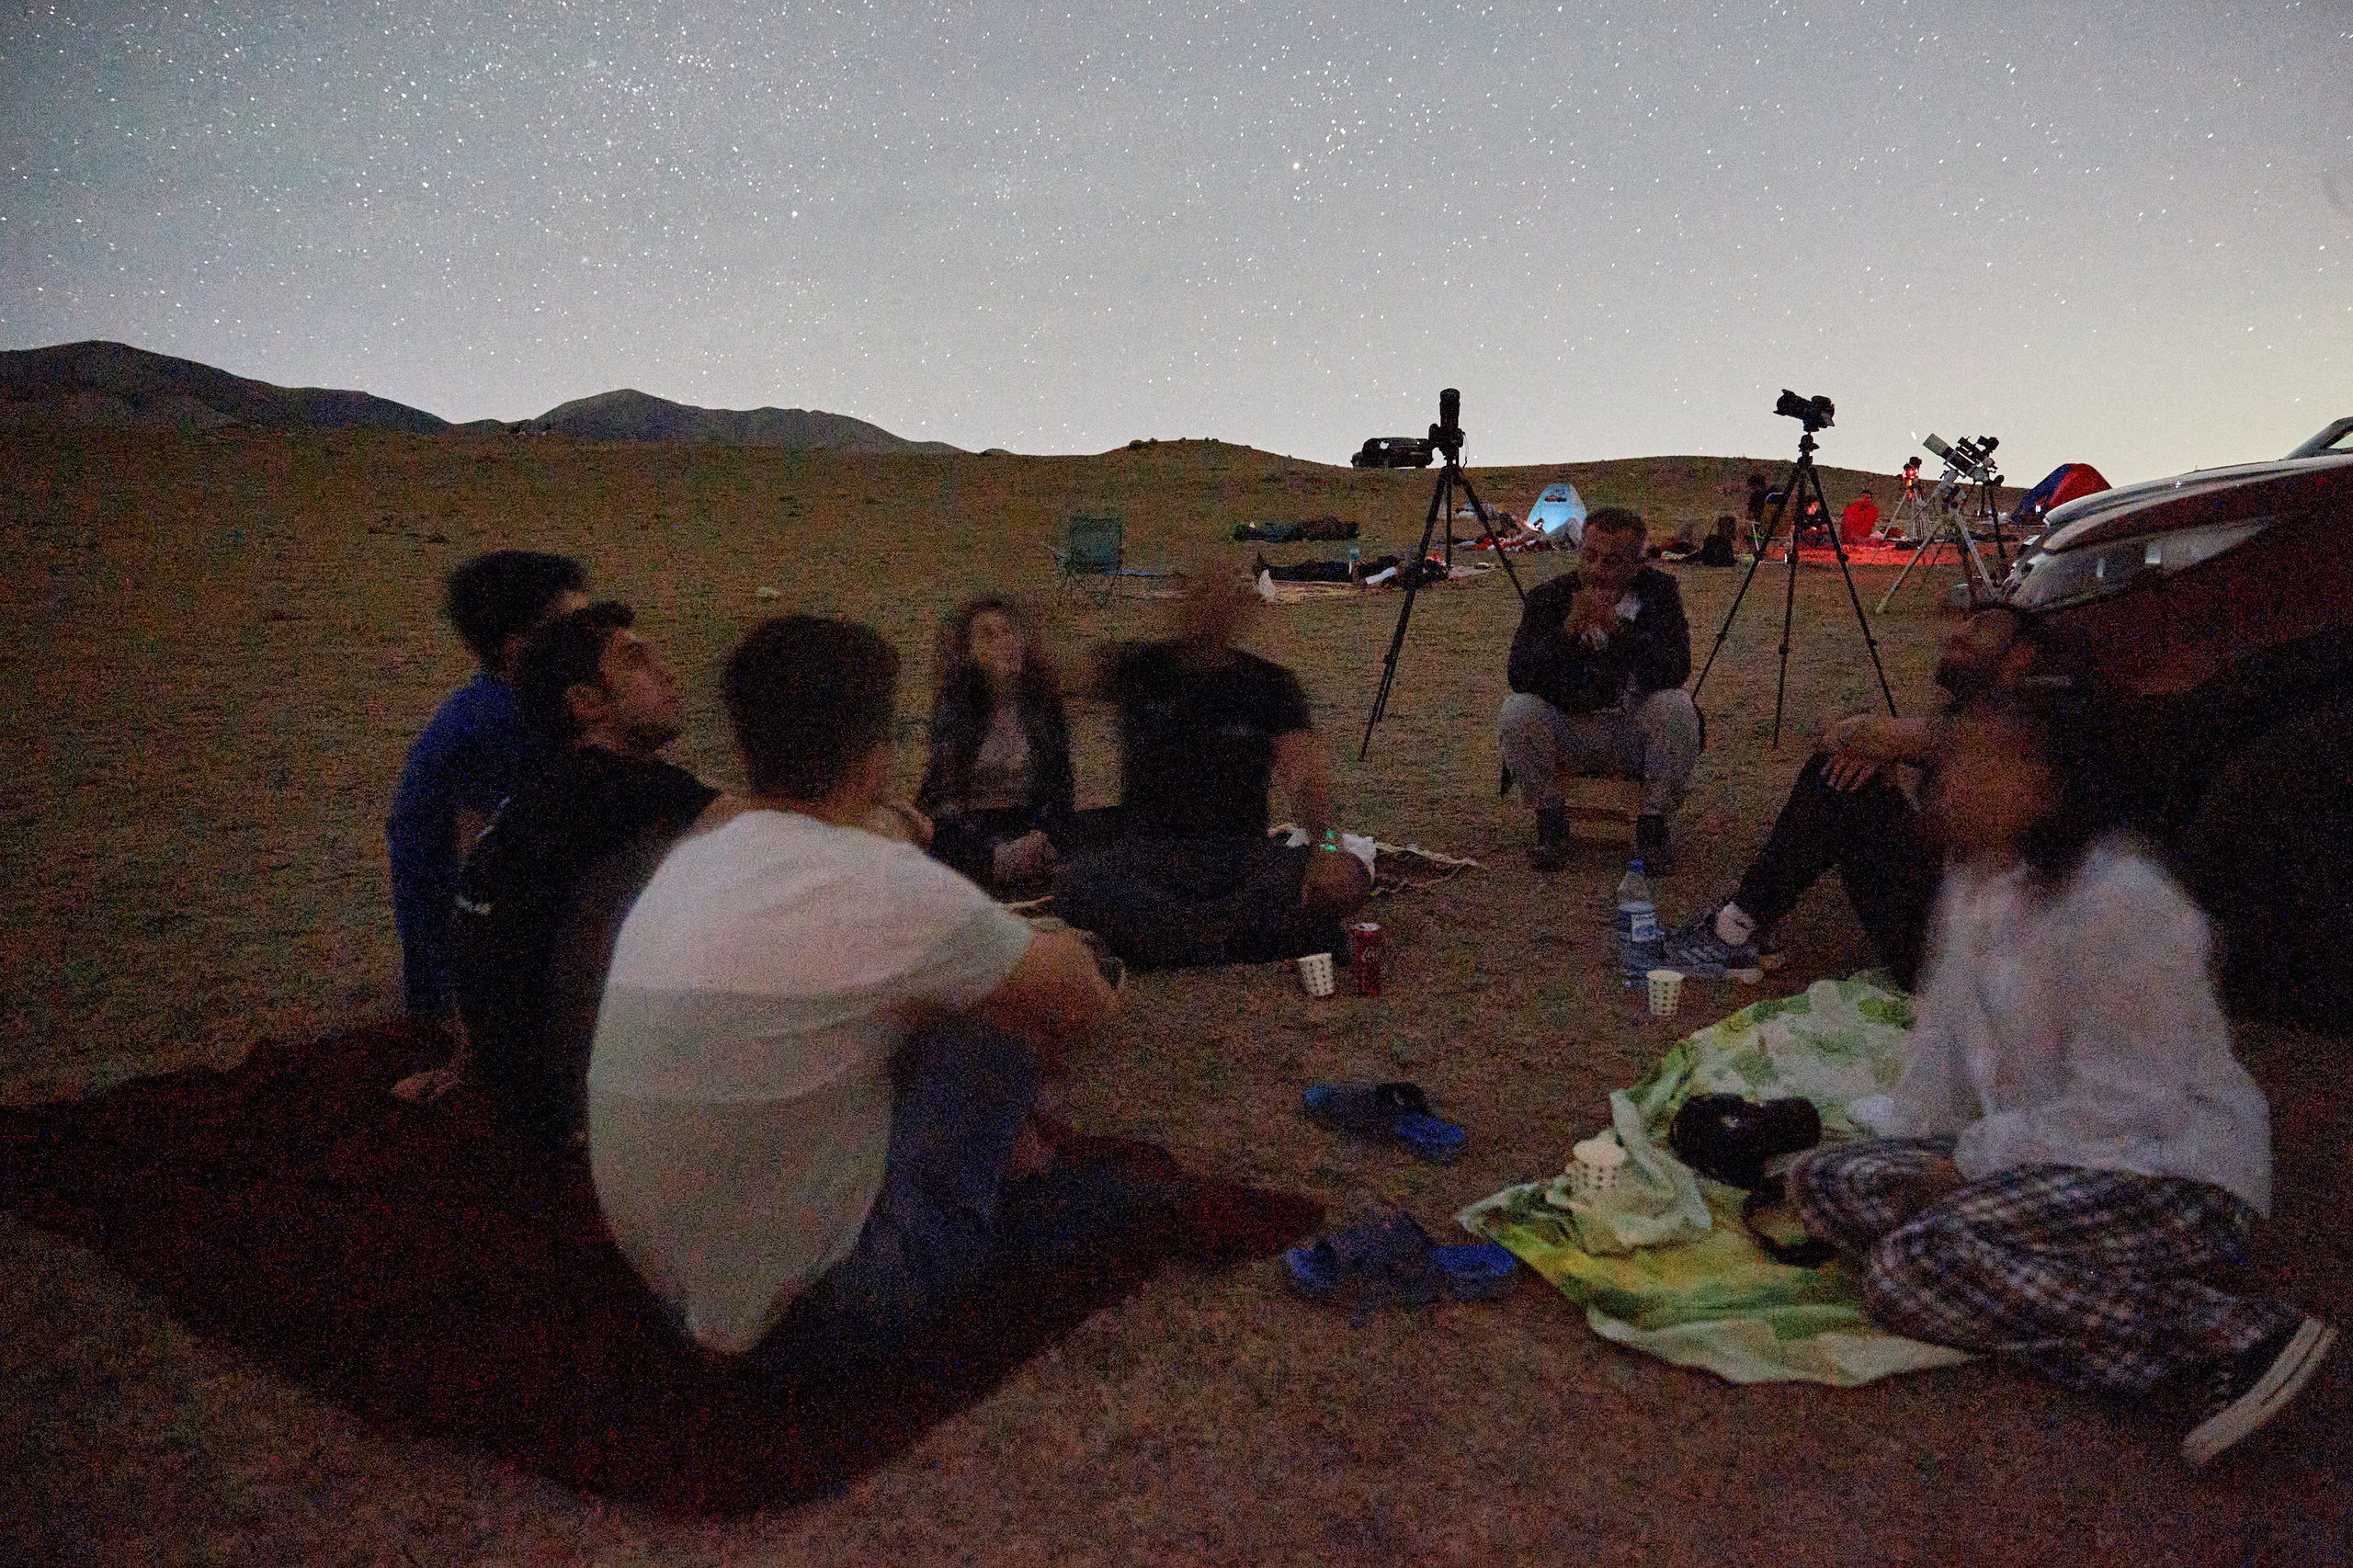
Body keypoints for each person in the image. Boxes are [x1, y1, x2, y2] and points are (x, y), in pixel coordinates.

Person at [1783, 676, 2336, 1469]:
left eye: (1977, 761)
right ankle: (2032, 1272)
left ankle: (2234, 1333)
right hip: (2041, 1156)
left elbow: (2132, 1106)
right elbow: (1938, 1061)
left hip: (2165, 1172)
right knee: (1822, 1182)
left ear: (2045, 787)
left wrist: (1966, 1165)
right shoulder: (1979, 881)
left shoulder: (2122, 901)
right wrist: (1896, 1152)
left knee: (1909, 1269)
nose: (1949, 779)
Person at [585, 615, 1128, 1371]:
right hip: (819, 1314)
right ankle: (1002, 1189)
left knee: (897, 999)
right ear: (878, 760)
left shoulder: (689, 864)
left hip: (662, 1284)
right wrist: (1066, 955)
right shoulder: (886, 886)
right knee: (1001, 1012)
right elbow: (1082, 1004)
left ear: (744, 753)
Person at [396, 603, 731, 1142]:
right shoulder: (627, 788)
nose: (668, 674)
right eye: (636, 663)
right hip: (569, 1109)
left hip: (510, 1081)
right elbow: (790, 826)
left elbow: (483, 939)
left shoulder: (548, 783)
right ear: (587, 703)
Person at [1659, 605, 2041, 987]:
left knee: (1842, 783)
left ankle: (1734, 929)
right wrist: (1882, 758)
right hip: (1961, 926)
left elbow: (1853, 733)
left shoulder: (2008, 732)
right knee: (1849, 776)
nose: (1958, 633)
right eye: (1967, 619)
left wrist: (1881, 747)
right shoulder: (1985, 725)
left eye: (1983, 628)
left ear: (2019, 659)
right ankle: (1740, 924)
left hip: (1971, 958)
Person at [1051, 574, 1371, 968]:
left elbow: (1307, 781)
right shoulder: (1141, 667)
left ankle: (1172, 942)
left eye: (1222, 601)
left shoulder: (1268, 685)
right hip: (1151, 854)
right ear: (1183, 606)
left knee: (1350, 876)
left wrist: (1325, 853)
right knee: (1074, 884)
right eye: (1202, 597)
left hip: (1239, 856)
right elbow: (1056, 680)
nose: (1210, 612)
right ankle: (1236, 938)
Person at [384, 551, 588, 1043]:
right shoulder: (499, 721)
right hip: (464, 975)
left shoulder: (506, 704)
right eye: (578, 631)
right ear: (521, 651)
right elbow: (480, 874)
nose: (599, 642)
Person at [1498, 507, 1699, 872]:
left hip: (1632, 728)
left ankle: (1653, 825)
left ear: (1637, 564)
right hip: (1570, 727)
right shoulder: (1548, 597)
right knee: (1518, 710)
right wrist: (1568, 630)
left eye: (1612, 561)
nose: (1597, 569)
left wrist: (1619, 629)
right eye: (1590, 557)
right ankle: (1550, 820)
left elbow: (1674, 669)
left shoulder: (1660, 595)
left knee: (1678, 707)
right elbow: (1520, 675)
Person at [915, 597, 1079, 895]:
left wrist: (1040, 834)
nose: (1004, 642)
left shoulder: (1042, 703)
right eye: (988, 636)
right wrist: (991, 849)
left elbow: (1061, 785)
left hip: (1027, 821)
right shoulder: (956, 706)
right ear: (968, 652)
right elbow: (947, 791)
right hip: (971, 828)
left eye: (1008, 632)